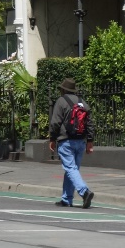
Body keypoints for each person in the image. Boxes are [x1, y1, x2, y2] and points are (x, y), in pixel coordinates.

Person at [49, 77, 95, 208]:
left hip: (66, 141)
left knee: (70, 168)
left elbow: (55, 122)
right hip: (80, 141)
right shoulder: (83, 103)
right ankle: (66, 199)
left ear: (63, 89)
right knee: (72, 169)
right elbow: (90, 123)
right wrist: (90, 141)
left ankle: (84, 191)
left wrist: (52, 138)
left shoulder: (61, 101)